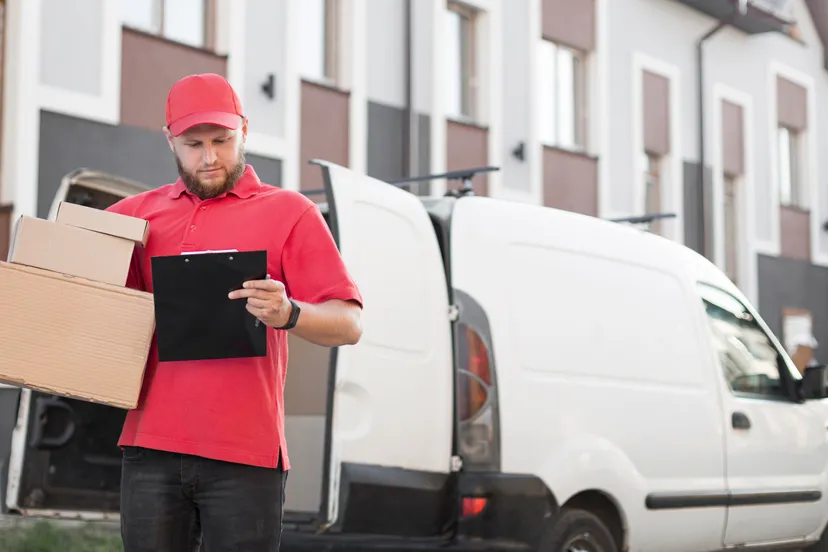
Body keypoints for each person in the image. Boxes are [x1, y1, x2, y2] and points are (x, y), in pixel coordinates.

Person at [105, 72, 364, 552]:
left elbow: (348, 323)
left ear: (244, 129)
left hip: (245, 456)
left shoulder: (291, 212)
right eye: (193, 143)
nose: (209, 157)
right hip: (150, 450)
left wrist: (289, 313)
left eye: (222, 141)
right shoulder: (131, 217)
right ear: (170, 141)